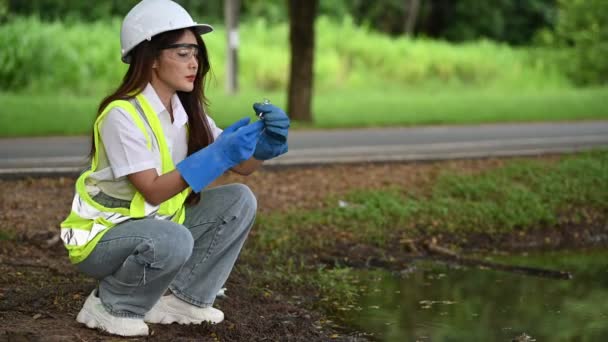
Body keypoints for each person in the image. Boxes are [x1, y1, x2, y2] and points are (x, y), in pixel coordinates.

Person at [59, 0, 289, 337]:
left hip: (155, 230)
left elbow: (242, 166)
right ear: (151, 58)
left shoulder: (185, 112)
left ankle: (185, 300)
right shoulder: (121, 115)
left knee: (239, 200)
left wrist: (265, 145)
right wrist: (216, 155)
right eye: (182, 53)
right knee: (173, 237)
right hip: (98, 239)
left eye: (196, 54)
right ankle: (110, 304)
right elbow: (151, 189)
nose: (194, 63)